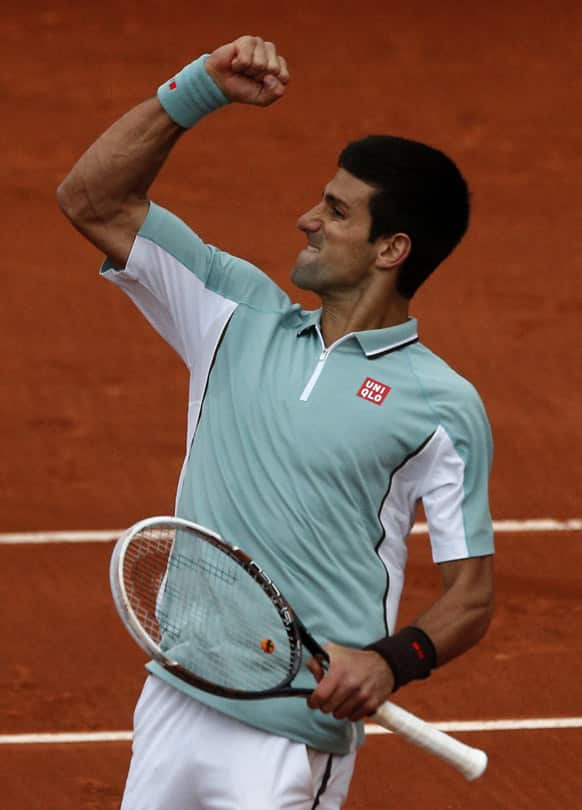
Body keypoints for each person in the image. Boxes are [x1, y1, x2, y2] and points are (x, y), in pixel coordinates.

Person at [57, 35, 495, 810]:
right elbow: (92, 198)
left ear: (392, 248)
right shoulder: (232, 312)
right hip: (177, 695)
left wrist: (394, 661)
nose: (306, 221)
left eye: (335, 211)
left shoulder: (440, 404)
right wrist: (199, 90)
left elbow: (470, 594)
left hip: (290, 737)